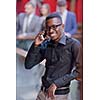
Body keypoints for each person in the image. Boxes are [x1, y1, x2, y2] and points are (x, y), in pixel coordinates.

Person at [25, 13, 80, 100]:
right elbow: (28, 65)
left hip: (59, 95)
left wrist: (56, 84)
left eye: (54, 27)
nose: (51, 30)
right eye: (48, 27)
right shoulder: (46, 44)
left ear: (62, 26)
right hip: (42, 93)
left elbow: (80, 71)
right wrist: (35, 45)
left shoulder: (74, 44)